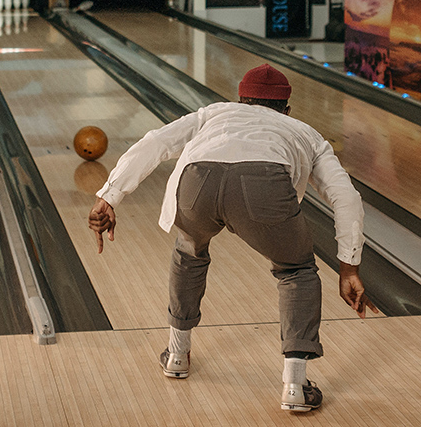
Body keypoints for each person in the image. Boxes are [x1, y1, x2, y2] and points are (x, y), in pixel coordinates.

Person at [88, 64, 378, 412]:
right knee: (297, 270)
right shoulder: (305, 132)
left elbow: (157, 143)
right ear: (286, 110)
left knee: (189, 252)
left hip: (198, 182)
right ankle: (295, 386)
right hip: (264, 188)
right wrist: (349, 267)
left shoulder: (215, 113)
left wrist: (109, 196)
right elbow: (346, 197)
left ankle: (177, 355)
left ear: (240, 100)